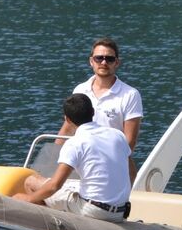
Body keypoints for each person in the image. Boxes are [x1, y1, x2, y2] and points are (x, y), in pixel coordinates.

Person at [17, 95, 133, 221]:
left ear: (67, 119)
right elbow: (132, 173)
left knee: (31, 181)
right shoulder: (118, 136)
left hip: (93, 210)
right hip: (120, 212)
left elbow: (54, 186)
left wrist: (27, 199)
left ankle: (49, 225)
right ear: (93, 112)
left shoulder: (75, 143)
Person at [56, 37, 142, 184]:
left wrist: (105, 164)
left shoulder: (130, 95)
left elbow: (130, 142)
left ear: (117, 62)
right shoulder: (80, 90)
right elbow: (68, 127)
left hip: (114, 165)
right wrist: (54, 156)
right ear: (91, 61)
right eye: (99, 58)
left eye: (109, 59)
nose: (103, 62)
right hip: (82, 163)